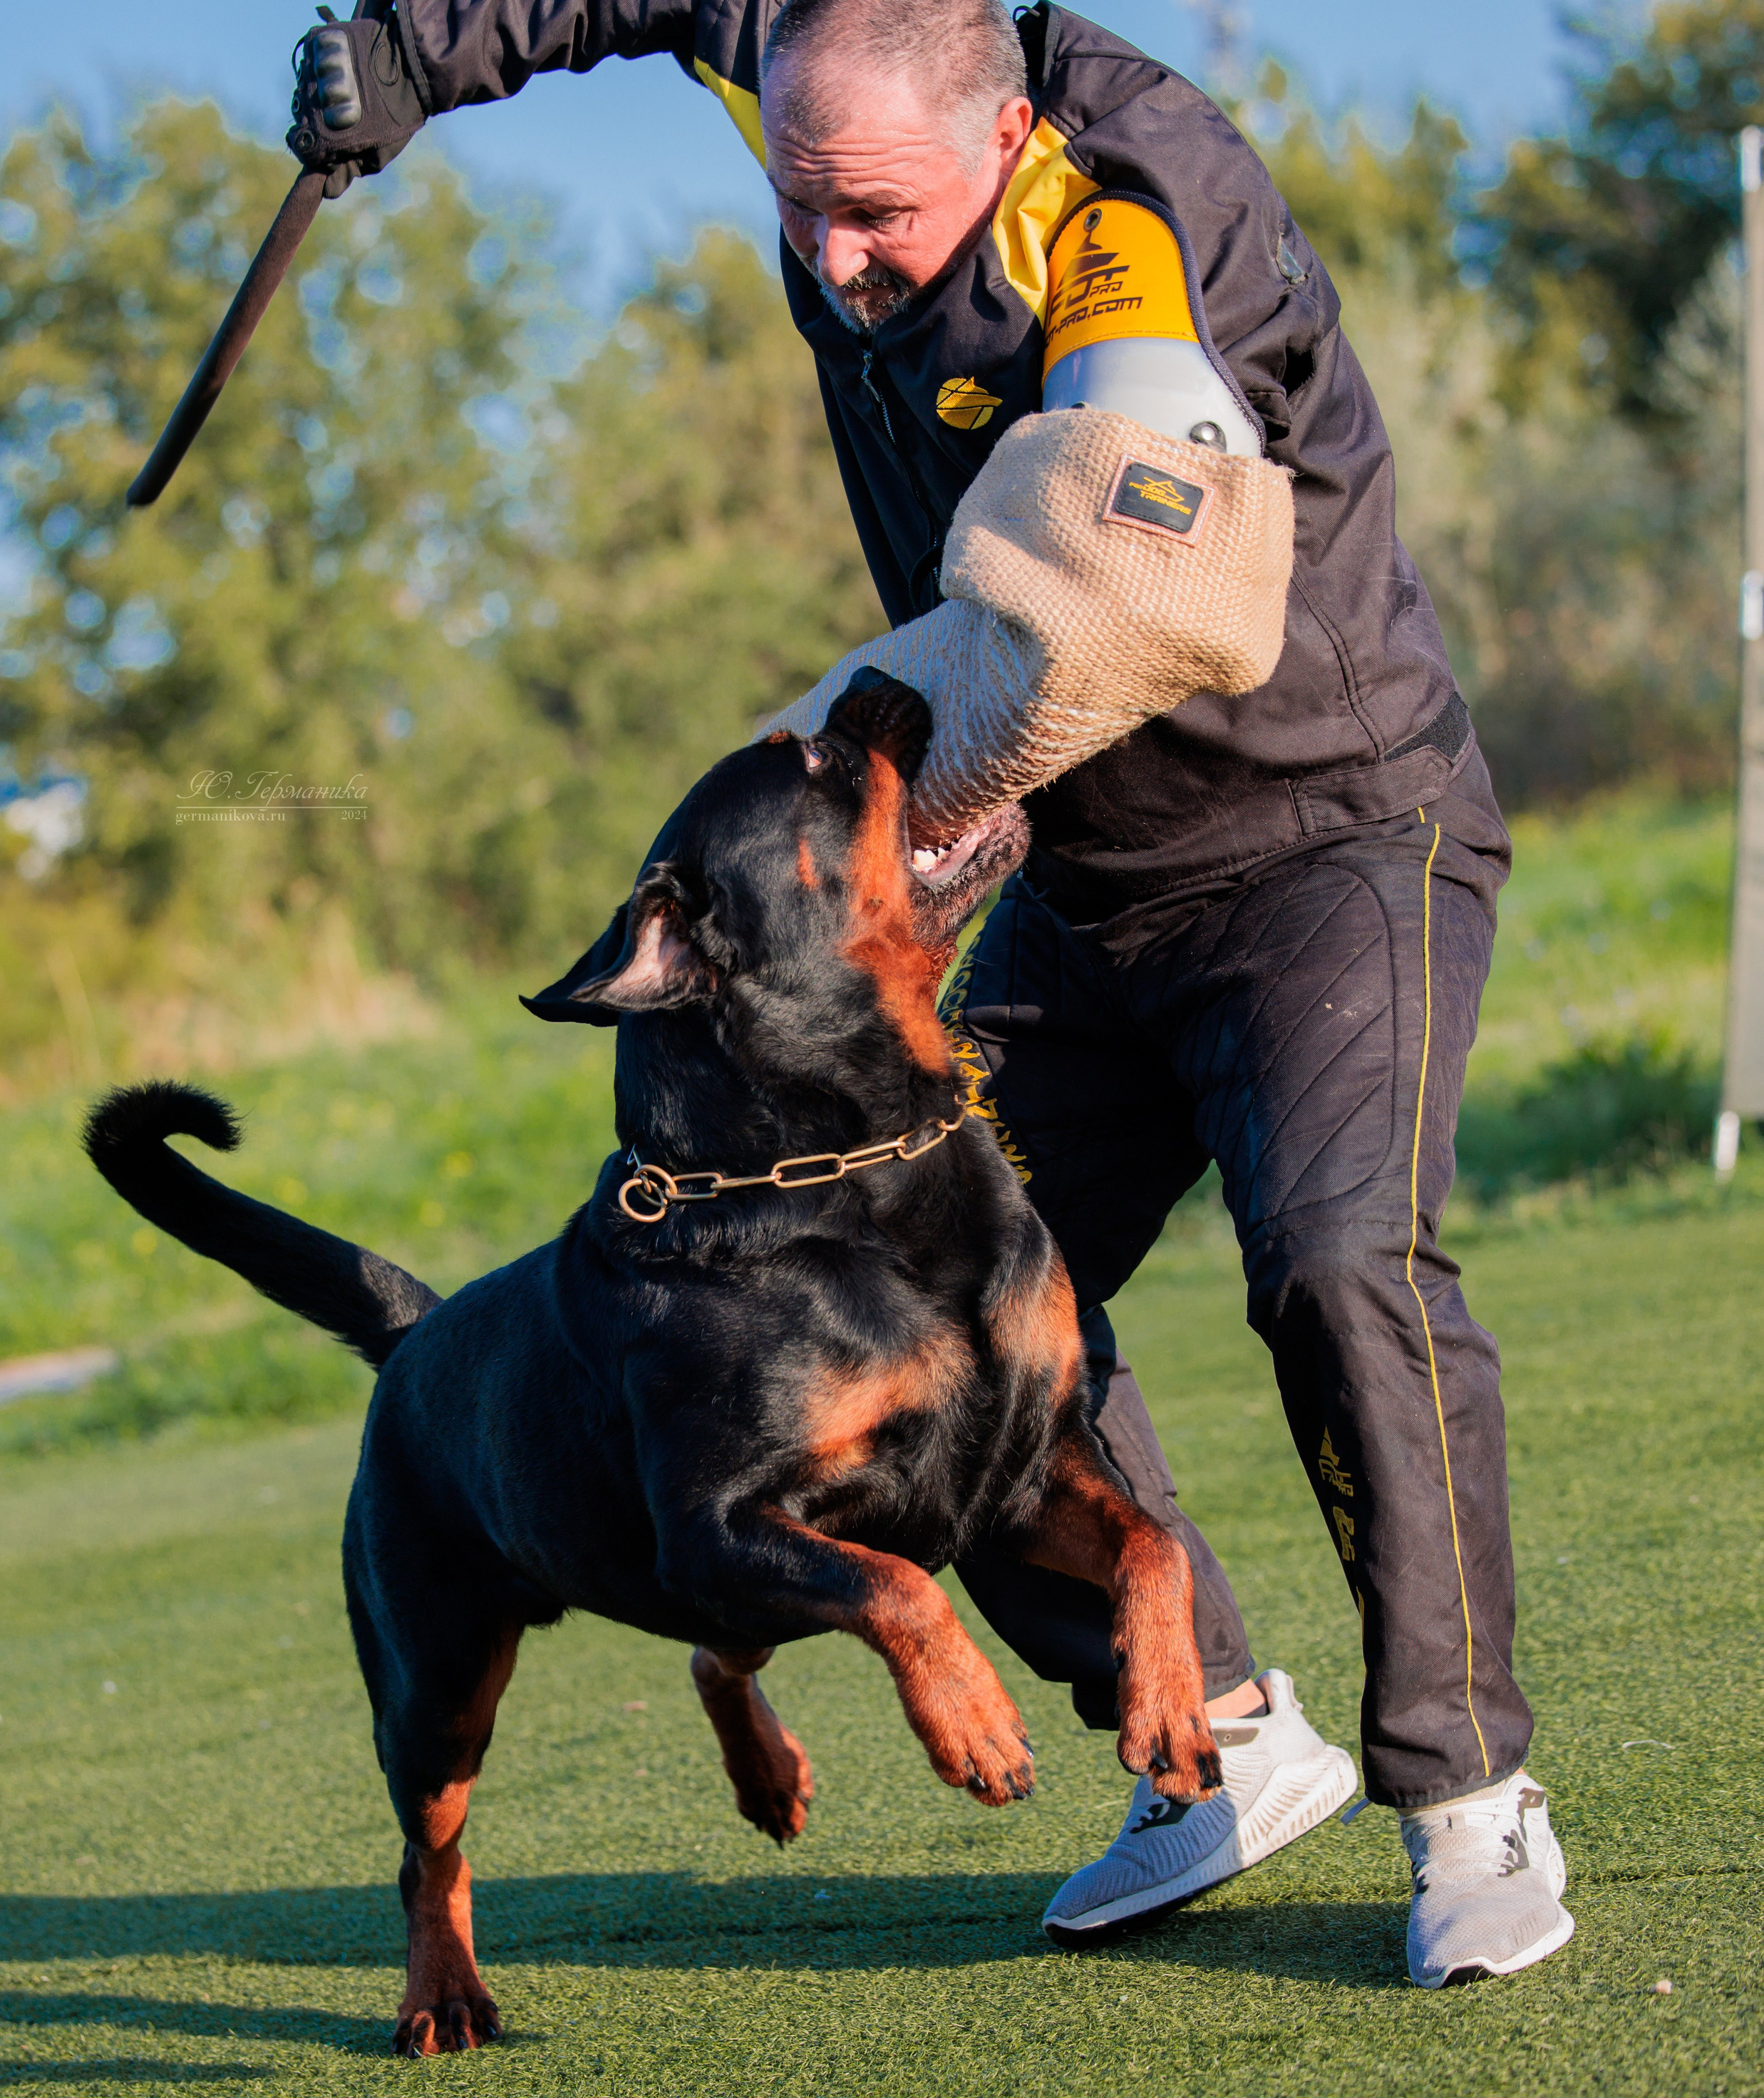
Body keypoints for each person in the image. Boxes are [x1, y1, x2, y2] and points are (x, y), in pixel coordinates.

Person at [287, 0, 1574, 1988]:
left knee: (1334, 1263)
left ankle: (1470, 1796)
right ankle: (1214, 1736)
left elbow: (1161, 604)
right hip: (1068, 882)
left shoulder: (1142, 204)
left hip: (1325, 835)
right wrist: (415, 49)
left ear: (996, 133)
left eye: (878, 215)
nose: (835, 259)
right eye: (801, 208)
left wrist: (832, 767)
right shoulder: (822, 71)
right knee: (928, 1320)